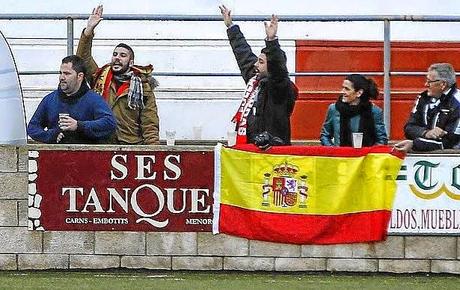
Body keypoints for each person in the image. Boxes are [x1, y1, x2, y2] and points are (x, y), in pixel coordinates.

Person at [76, 5, 160, 145]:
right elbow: (82, 60)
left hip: (130, 146)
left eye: (122, 55)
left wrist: (154, 151)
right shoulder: (100, 77)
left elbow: (149, 123)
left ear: (131, 62)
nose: (117, 58)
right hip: (102, 144)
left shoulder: (143, 87)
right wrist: (88, 31)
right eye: (115, 54)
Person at [219, 5, 297, 147]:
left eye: (261, 62)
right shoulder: (255, 80)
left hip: (273, 153)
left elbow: (278, 69)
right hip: (250, 148)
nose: (255, 65)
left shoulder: (281, 88)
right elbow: (243, 54)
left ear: (271, 66)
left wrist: (272, 41)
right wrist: (231, 27)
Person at [27, 55, 116, 144]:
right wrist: (51, 135)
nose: (61, 77)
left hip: (86, 155)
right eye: (60, 73)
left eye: (67, 74)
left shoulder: (94, 100)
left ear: (80, 76)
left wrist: (79, 125)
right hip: (55, 156)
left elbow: (109, 123)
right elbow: (32, 128)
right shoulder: (49, 100)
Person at [394, 63, 460, 152]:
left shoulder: (457, 104)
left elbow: (450, 142)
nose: (426, 84)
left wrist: (415, 144)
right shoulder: (423, 98)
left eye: (429, 82)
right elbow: (409, 128)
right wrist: (426, 133)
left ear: (443, 84)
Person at [320, 74, 388, 147]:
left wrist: (369, 153)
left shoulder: (374, 111)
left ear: (359, 93)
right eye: (343, 88)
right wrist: (334, 151)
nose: (342, 91)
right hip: (340, 157)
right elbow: (325, 136)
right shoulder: (334, 109)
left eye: (347, 89)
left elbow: (382, 140)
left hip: (365, 157)